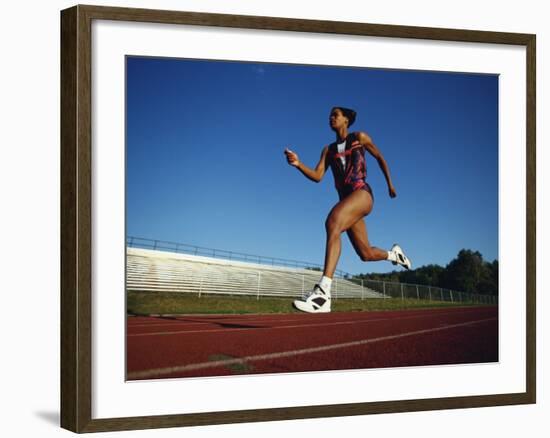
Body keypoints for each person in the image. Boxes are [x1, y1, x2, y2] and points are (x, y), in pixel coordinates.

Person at [284, 106, 411, 313]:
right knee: (366, 253)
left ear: (346, 120)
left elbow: (379, 157)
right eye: (329, 116)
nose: (331, 118)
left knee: (332, 221)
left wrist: (390, 184)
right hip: (347, 202)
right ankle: (394, 255)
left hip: (362, 194)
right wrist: (298, 164)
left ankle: (323, 293)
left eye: (335, 115)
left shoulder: (359, 137)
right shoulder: (328, 150)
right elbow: (317, 176)